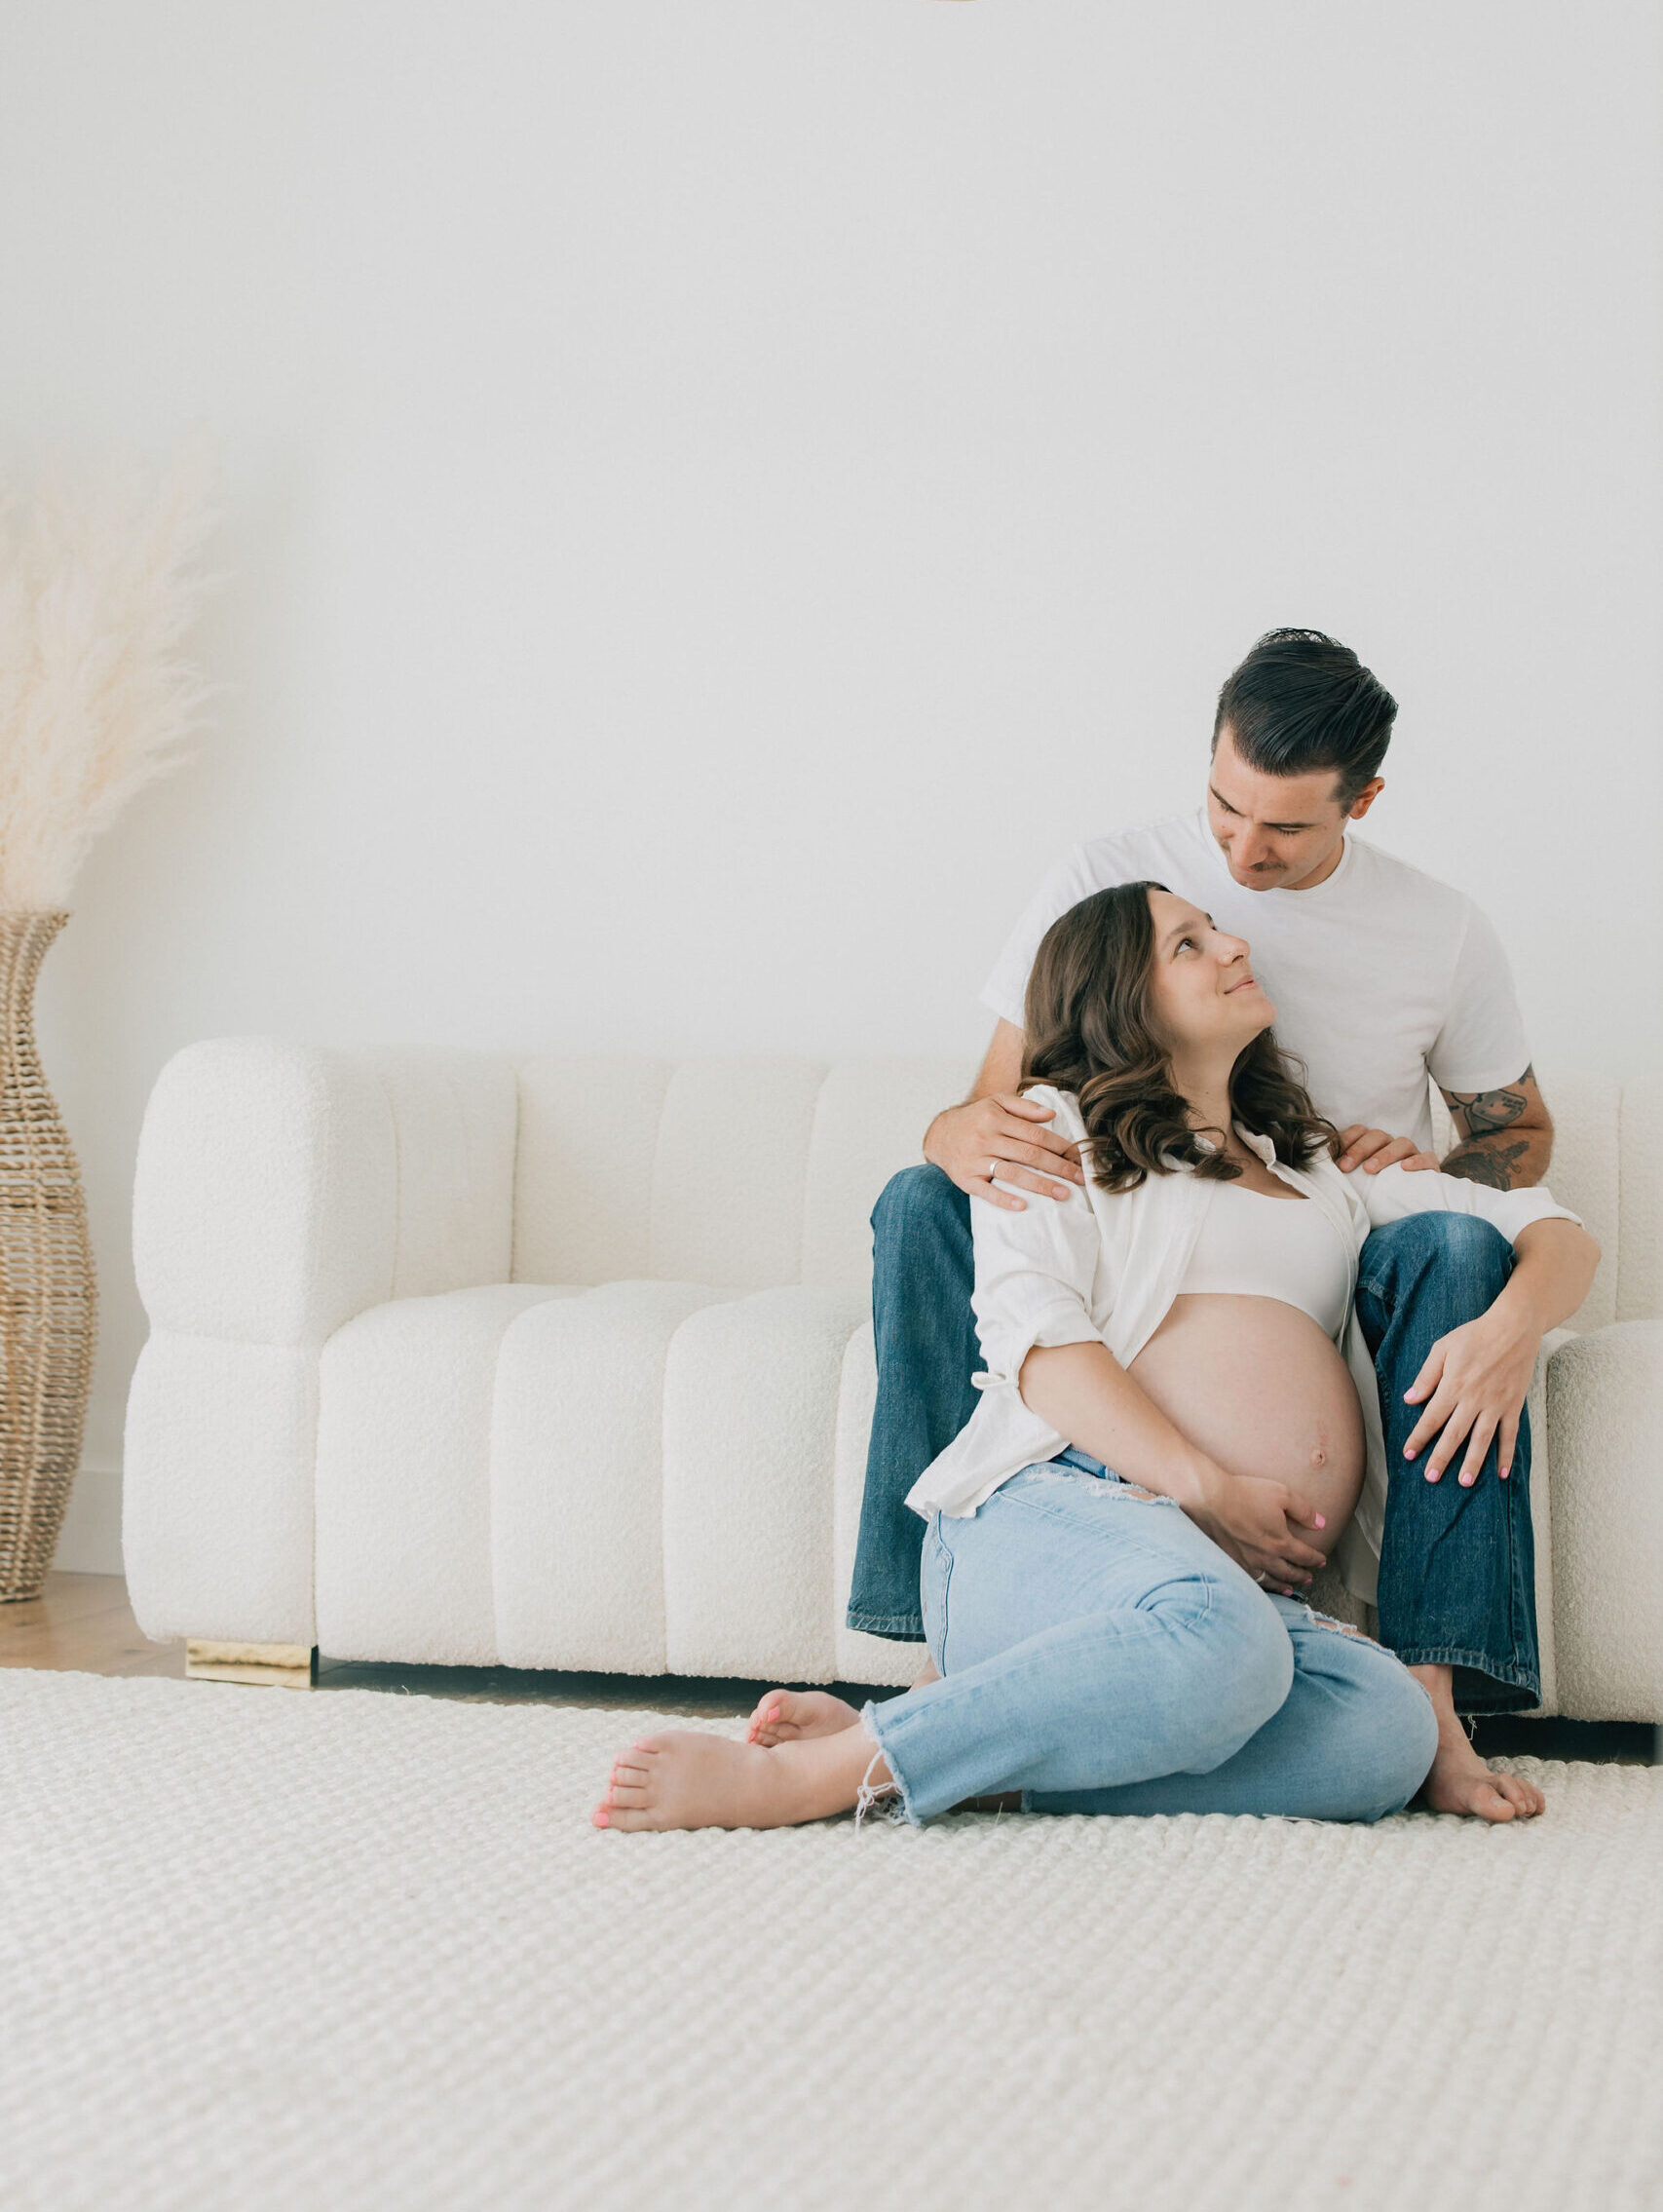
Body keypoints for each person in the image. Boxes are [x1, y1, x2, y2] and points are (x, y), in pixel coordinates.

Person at [591, 886, 1595, 1833]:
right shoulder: (1055, 1133)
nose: (1235, 944)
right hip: (1053, 1511)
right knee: (1229, 1643)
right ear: (1124, 1001)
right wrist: (1204, 1485)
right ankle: (812, 1777)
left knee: (1385, 1735)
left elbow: (1560, 1235)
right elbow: (1037, 1347)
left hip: (1224, 1581)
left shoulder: (1320, 1171)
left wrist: (1508, 1331)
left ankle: (981, 1763)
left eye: (1218, 931)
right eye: (1189, 943)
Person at [850, 628, 1560, 1821]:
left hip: (1342, 1229)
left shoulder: (1438, 929)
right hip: (1138, 1213)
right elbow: (1011, 1094)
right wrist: (945, 1133)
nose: (1240, 854)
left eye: (1282, 828)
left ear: (1363, 800)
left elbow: (1523, 1137)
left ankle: (1429, 1692)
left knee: (1457, 1246)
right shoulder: (1116, 875)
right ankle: (937, 1661)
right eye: (1223, 805)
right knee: (925, 1198)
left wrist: (1441, 1166)